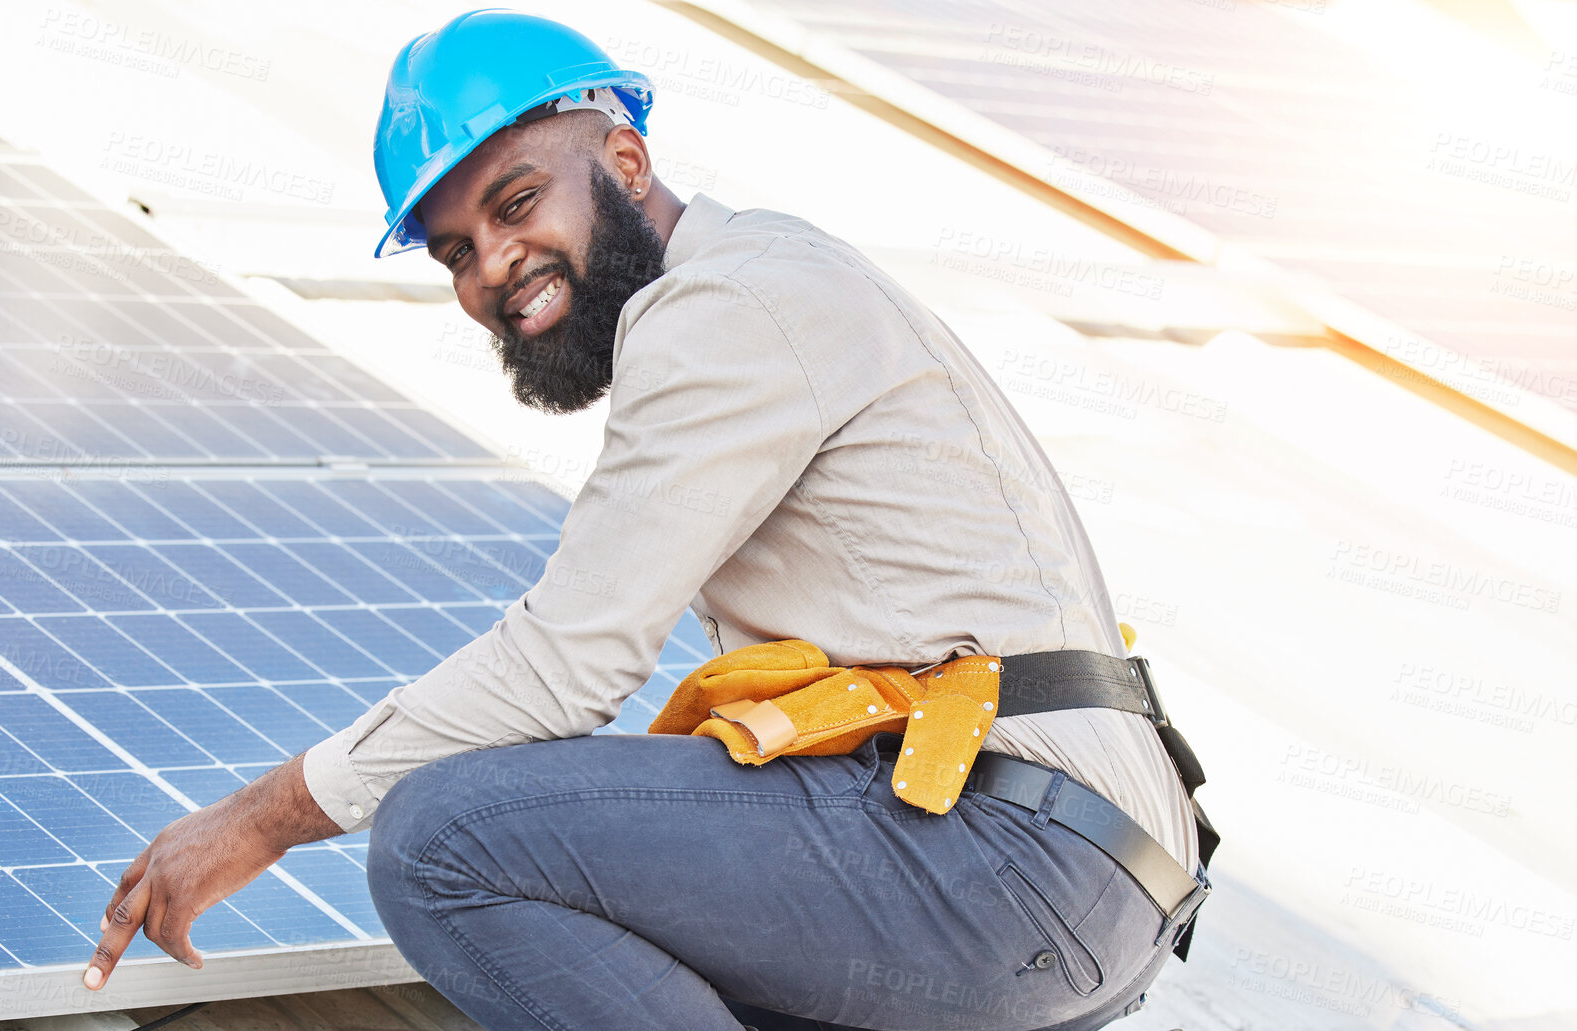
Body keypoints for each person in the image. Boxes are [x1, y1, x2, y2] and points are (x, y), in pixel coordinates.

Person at [83, 10, 1208, 1029]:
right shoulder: (774, 280)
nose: (493, 266)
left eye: (516, 202)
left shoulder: (724, 304)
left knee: (442, 838)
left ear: (623, 159)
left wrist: (262, 816)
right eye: (457, 252)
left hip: (1011, 859)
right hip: (1065, 881)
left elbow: (564, 662)